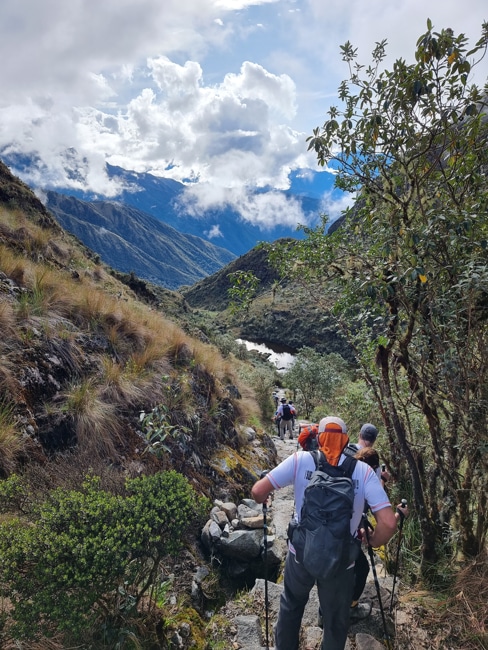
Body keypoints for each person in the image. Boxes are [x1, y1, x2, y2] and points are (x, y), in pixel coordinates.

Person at [252, 416, 401, 650]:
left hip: (300, 553)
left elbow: (258, 491)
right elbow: (389, 523)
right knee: (335, 621)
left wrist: (266, 498)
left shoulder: (300, 460)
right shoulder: (363, 471)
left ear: (319, 438)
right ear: (346, 440)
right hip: (341, 561)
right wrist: (373, 540)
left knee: (291, 606)